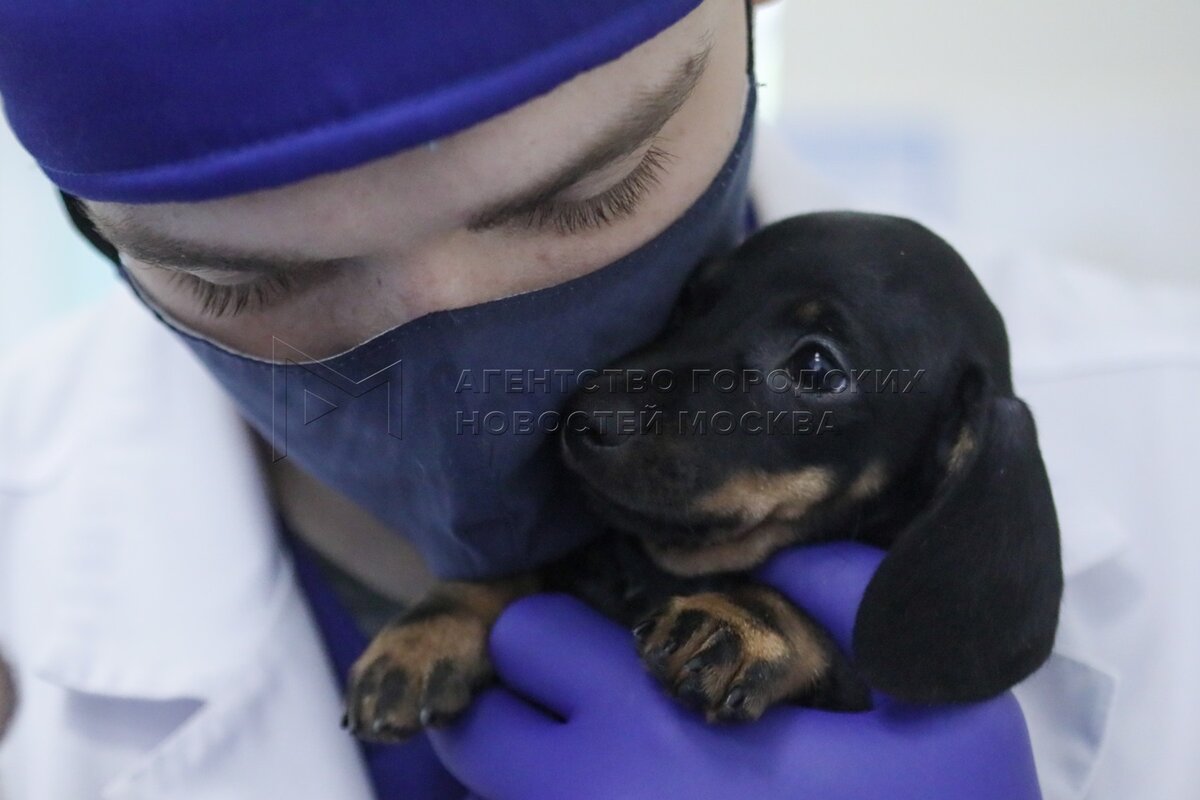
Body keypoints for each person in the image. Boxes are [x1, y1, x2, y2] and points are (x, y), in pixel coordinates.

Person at [0, 1, 1197, 798]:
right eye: (247, 275)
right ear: (94, 229)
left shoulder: (1167, 425)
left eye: (594, 189)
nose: (476, 387)